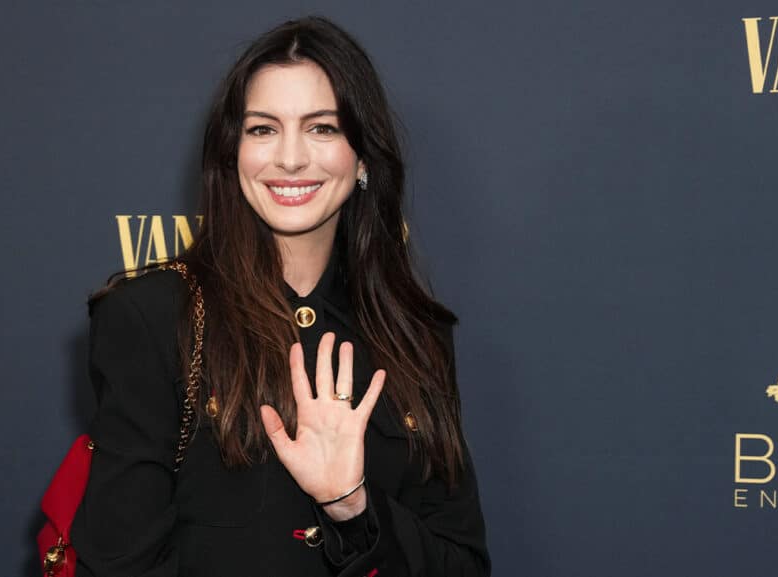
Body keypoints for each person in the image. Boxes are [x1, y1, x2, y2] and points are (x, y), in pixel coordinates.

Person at [70, 15, 490, 577]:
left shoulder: (415, 332)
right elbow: (119, 562)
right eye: (262, 129)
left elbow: (462, 565)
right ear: (231, 153)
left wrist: (354, 505)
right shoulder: (152, 316)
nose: (290, 158)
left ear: (362, 157)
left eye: (322, 128)